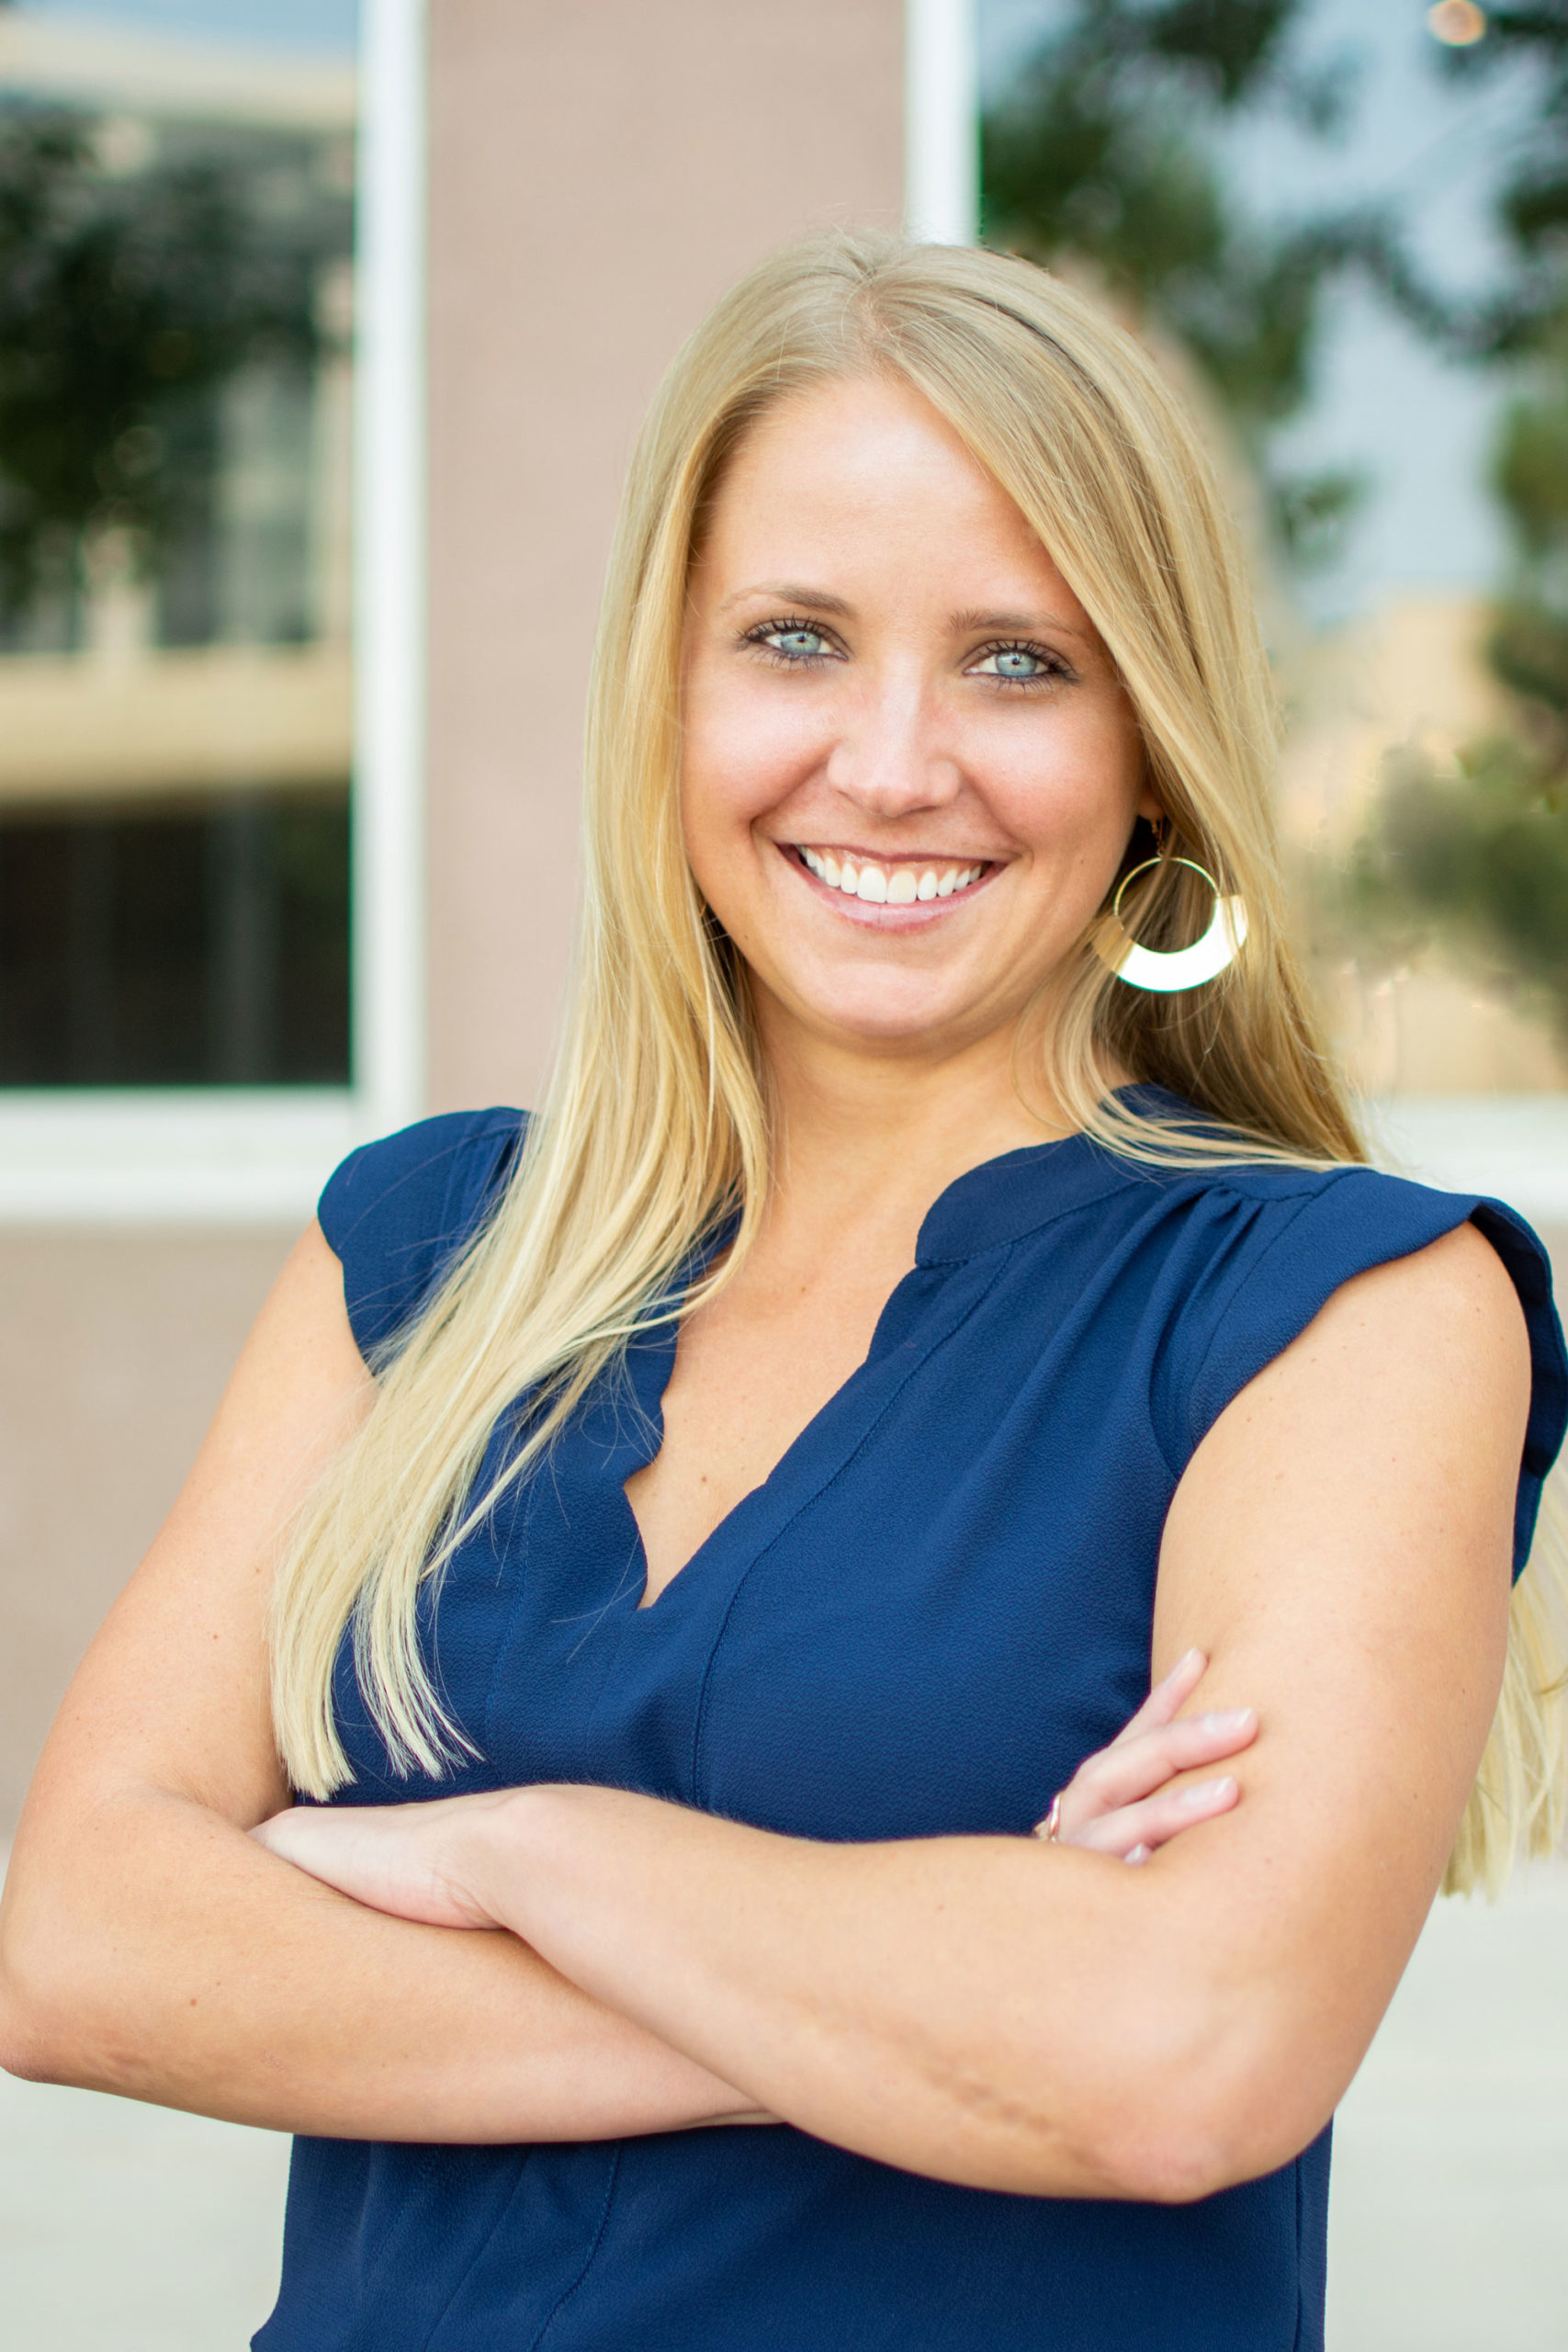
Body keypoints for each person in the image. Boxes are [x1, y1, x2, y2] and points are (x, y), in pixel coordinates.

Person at [3, 233, 1565, 2352]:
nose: (893, 759)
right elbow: (82, 1939)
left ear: (1150, 743)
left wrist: (532, 1850)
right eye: (794, 639)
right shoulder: (425, 1249)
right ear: (669, 681)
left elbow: (1185, 2048)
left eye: (1017, 659)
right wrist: (929, 2002)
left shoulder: (1335, 1306)